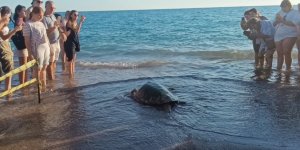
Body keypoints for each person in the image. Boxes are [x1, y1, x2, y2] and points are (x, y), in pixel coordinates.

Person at [23, 6, 50, 92]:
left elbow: (45, 36)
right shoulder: (28, 24)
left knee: (45, 67)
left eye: (42, 15)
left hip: (45, 46)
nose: (41, 17)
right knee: (38, 68)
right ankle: (37, 88)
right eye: (39, 15)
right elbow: (27, 40)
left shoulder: (41, 23)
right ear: (33, 14)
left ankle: (44, 87)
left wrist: (49, 46)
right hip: (37, 48)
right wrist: (30, 53)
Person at [0, 6, 22, 91]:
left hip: (6, 46)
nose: (9, 18)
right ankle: (7, 91)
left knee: (8, 70)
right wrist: (14, 30)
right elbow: (4, 37)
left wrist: (14, 31)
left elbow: (6, 38)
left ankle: (8, 90)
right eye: (9, 16)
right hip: (2, 47)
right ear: (5, 15)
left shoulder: (5, 24)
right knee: (6, 71)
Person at [274, 0, 300, 71]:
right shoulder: (279, 13)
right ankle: (278, 69)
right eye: (282, 7)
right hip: (278, 35)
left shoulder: (295, 13)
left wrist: (282, 20)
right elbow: (274, 24)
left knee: (286, 51)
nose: (283, 8)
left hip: (290, 34)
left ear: (289, 5)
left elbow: (294, 24)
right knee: (279, 53)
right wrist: (276, 20)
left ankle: (288, 68)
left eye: (284, 6)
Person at [64, 10, 85, 79]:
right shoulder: (69, 22)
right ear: (71, 15)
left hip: (74, 41)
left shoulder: (74, 22)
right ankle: (70, 77)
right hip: (69, 43)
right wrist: (80, 21)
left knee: (73, 60)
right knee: (70, 60)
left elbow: (77, 31)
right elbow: (74, 30)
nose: (76, 16)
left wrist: (81, 22)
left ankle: (72, 74)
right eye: (75, 15)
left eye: (77, 15)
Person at [43, 1, 61, 80]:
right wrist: (54, 27)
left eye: (54, 8)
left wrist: (62, 34)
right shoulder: (44, 18)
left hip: (56, 42)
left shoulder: (53, 16)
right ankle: (51, 81)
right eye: (51, 7)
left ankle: (53, 76)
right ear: (46, 7)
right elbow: (45, 32)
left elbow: (57, 28)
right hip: (50, 43)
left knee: (54, 61)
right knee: (50, 63)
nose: (52, 9)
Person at [12, 5, 28, 84]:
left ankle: (24, 82)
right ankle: (22, 83)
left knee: (24, 66)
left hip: (23, 46)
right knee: (23, 66)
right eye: (23, 10)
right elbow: (19, 29)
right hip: (22, 47)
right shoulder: (19, 20)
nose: (25, 11)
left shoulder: (21, 19)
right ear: (18, 12)